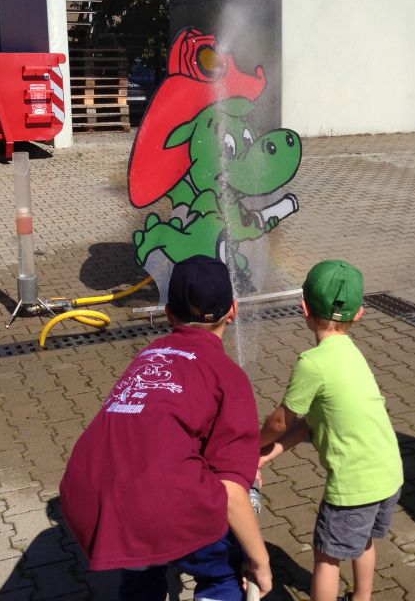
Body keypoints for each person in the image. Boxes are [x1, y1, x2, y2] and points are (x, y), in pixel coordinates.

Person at [59, 255, 272, 601]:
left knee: (142, 576)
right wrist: (259, 560)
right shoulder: (228, 375)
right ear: (232, 310)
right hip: (162, 504)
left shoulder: (149, 356)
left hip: (97, 500)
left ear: (169, 313)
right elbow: (232, 494)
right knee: (220, 576)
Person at [258, 260, 403, 601]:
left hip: (353, 486)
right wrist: (265, 457)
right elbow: (310, 423)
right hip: (387, 474)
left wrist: (252, 445)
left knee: (327, 556)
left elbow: (282, 422)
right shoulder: (351, 354)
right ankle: (362, 598)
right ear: (360, 314)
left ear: (303, 307)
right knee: (361, 540)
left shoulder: (313, 363)